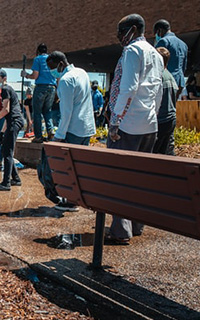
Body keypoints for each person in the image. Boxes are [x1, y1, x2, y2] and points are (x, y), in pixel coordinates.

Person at [107, 13, 164, 244]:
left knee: (119, 179)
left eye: (121, 31)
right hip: (150, 124)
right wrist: (153, 116)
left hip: (128, 124)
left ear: (132, 29)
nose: (119, 36)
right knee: (139, 178)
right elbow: (158, 91)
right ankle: (138, 224)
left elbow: (128, 88)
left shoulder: (132, 51)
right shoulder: (155, 53)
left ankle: (121, 230)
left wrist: (115, 121)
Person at [46, 51, 96, 211]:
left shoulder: (66, 81)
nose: (52, 71)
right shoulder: (82, 72)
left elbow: (66, 113)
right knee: (80, 168)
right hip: (86, 127)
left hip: (73, 129)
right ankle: (76, 199)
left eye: (52, 67)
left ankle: (70, 201)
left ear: (61, 64)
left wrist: (58, 137)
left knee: (68, 168)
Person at [0, 69, 25, 191]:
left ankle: (5, 183)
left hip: (14, 122)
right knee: (7, 149)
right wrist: (2, 132)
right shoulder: (7, 89)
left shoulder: (5, 90)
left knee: (7, 152)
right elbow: (8, 116)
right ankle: (16, 179)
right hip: (13, 122)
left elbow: (6, 110)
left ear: (4, 78)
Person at [22, 43, 56, 143]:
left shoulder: (38, 59)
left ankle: (38, 136)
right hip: (52, 87)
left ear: (38, 51)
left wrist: (26, 75)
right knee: (47, 111)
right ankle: (50, 132)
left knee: (37, 112)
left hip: (41, 87)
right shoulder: (51, 59)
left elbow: (35, 75)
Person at [153, 19, 188, 99]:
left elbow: (156, 64)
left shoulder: (164, 41)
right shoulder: (183, 44)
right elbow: (184, 66)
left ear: (159, 30)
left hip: (167, 82)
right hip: (180, 82)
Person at [153, 47, 178, 155]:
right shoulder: (170, 77)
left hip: (161, 120)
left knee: (154, 154)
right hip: (170, 119)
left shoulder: (159, 76)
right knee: (166, 152)